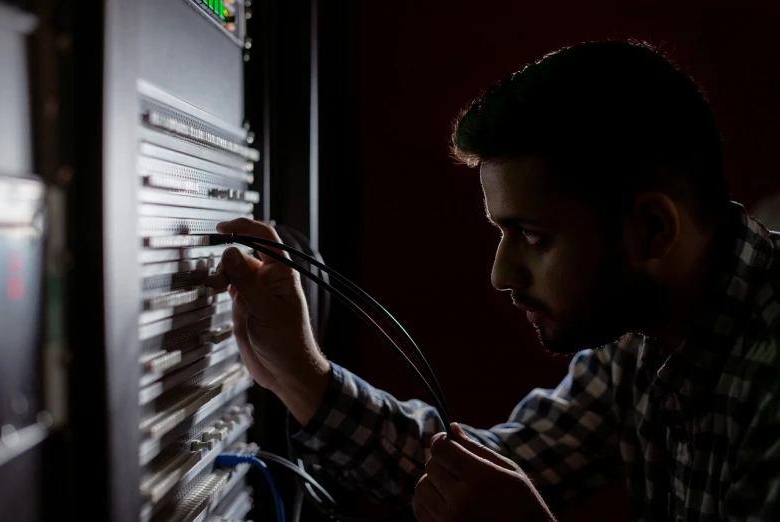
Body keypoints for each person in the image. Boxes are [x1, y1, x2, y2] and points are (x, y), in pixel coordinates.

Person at [207, 39, 780, 522]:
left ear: (653, 229)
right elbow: (487, 467)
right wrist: (300, 373)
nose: (501, 274)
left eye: (531, 235)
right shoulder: (639, 336)